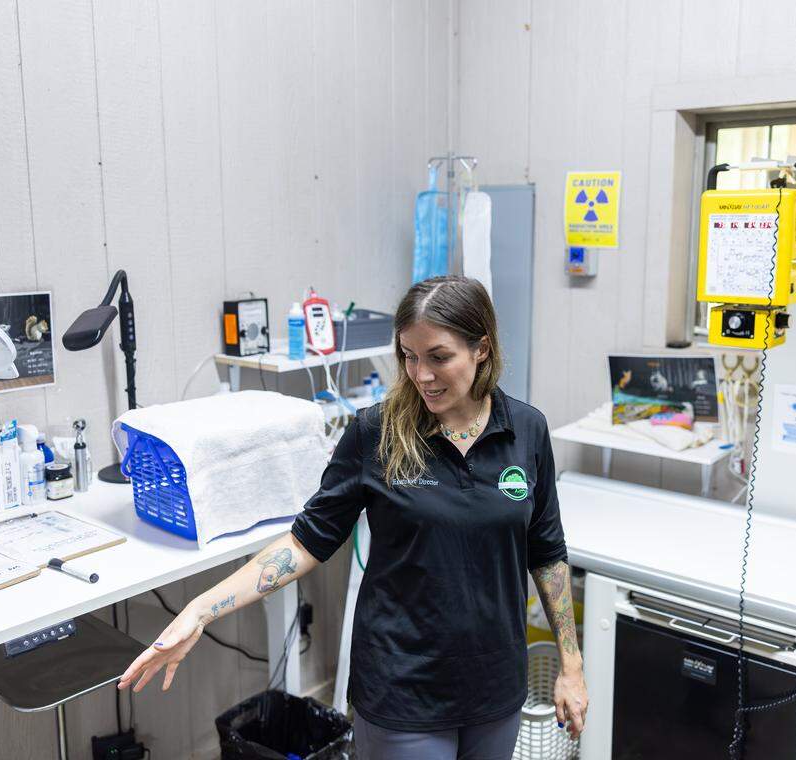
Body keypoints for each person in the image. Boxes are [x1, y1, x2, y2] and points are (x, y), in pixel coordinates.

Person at [118, 275, 588, 759]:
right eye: (408, 355)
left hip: (495, 691)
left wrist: (571, 665)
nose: (420, 374)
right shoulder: (376, 433)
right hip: (403, 692)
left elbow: (547, 551)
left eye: (438, 356)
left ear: (482, 349)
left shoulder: (527, 430)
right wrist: (201, 608)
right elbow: (305, 543)